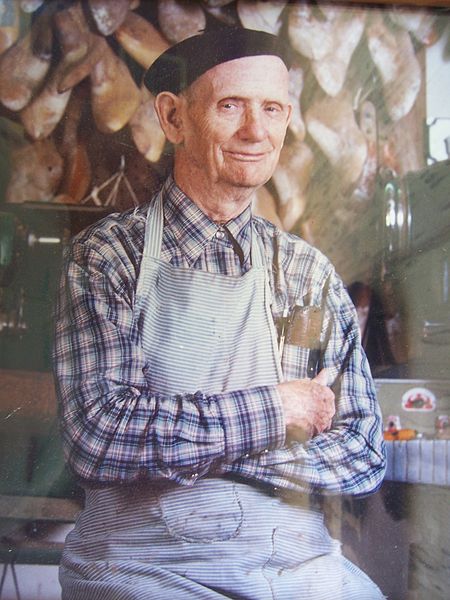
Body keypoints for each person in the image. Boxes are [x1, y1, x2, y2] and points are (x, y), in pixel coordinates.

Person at [53, 27, 386, 600]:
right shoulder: (108, 257)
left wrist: (214, 453)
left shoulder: (307, 272)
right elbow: (99, 436)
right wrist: (278, 409)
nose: (256, 131)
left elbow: (362, 452)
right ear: (174, 118)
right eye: (231, 106)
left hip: (293, 572)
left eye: (273, 109)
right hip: (142, 572)